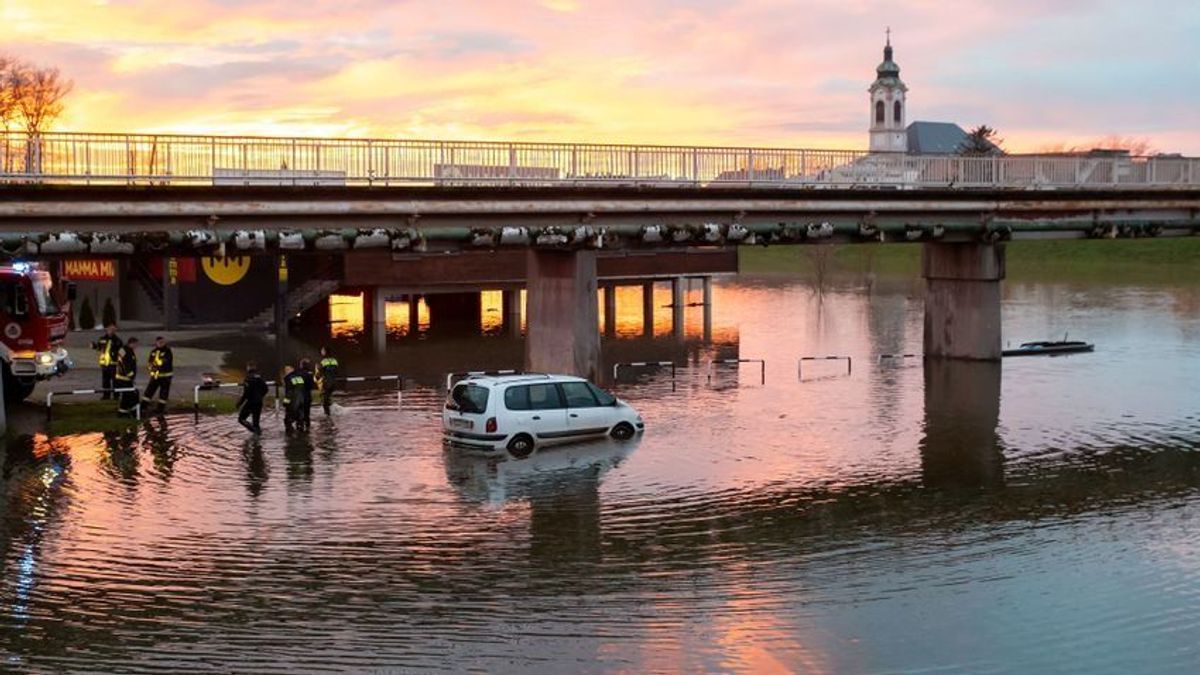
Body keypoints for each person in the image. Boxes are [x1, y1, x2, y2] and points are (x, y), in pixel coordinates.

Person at [142, 336, 174, 415]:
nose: (160, 344)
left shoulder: (167, 351)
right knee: (149, 391)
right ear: (156, 343)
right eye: (159, 342)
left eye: (162, 342)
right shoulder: (153, 351)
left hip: (165, 376)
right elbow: (150, 362)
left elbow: (165, 362)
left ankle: (160, 408)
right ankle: (143, 406)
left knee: (163, 393)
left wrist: (156, 366)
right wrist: (152, 369)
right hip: (155, 376)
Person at [236, 361, 270, 434]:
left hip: (251, 402)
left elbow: (246, 393)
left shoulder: (248, 378)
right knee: (256, 422)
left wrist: (239, 403)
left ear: (248, 367)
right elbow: (266, 389)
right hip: (259, 402)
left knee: (241, 419)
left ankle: (254, 431)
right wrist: (260, 396)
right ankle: (257, 438)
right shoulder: (259, 377)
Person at [91, 322, 122, 400]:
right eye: (110, 329)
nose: (111, 331)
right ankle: (106, 396)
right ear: (106, 329)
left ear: (115, 330)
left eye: (113, 329)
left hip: (113, 364)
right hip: (104, 364)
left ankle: (116, 396)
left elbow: (121, 352)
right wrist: (94, 346)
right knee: (105, 381)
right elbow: (98, 348)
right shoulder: (102, 339)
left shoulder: (118, 340)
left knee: (115, 381)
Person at [113, 337, 139, 417]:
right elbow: (126, 364)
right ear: (132, 343)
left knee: (128, 395)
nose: (136, 346)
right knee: (128, 395)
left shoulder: (126, 350)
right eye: (136, 344)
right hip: (124, 378)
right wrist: (131, 376)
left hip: (124, 377)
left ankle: (127, 412)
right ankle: (124, 413)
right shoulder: (125, 350)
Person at [282, 365, 307, 432]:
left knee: (288, 419)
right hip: (301, 400)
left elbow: (289, 392)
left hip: (293, 402)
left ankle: (290, 434)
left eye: (287, 370)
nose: (286, 372)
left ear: (291, 370)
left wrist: (285, 402)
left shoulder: (288, 378)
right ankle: (301, 431)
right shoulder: (299, 377)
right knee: (300, 417)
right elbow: (303, 389)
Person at [316, 346, 340, 416]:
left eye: (322, 350)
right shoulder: (335, 360)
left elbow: (319, 374)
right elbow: (337, 372)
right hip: (334, 382)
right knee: (327, 397)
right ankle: (332, 410)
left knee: (324, 399)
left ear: (325, 352)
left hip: (327, 382)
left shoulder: (323, 361)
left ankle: (327, 415)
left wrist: (317, 376)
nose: (321, 352)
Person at [298, 358, 316, 430]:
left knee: (299, 413)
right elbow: (312, 386)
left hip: (300, 396)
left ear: (302, 365)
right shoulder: (310, 374)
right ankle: (307, 427)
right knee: (307, 414)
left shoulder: (298, 374)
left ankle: (300, 428)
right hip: (307, 396)